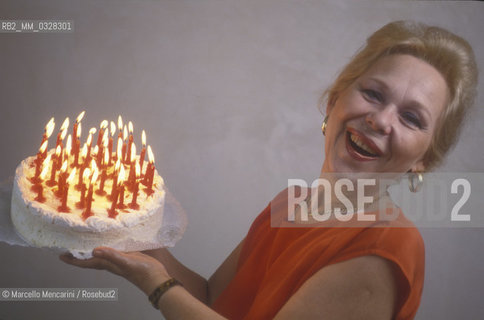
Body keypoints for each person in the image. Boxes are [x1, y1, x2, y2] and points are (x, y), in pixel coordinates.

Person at [61, 20, 478, 319]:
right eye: (372, 93)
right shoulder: (292, 204)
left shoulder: (387, 245)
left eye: (411, 118)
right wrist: (143, 245)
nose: (381, 120)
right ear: (334, 102)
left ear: (425, 158)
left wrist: (157, 285)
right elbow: (211, 300)